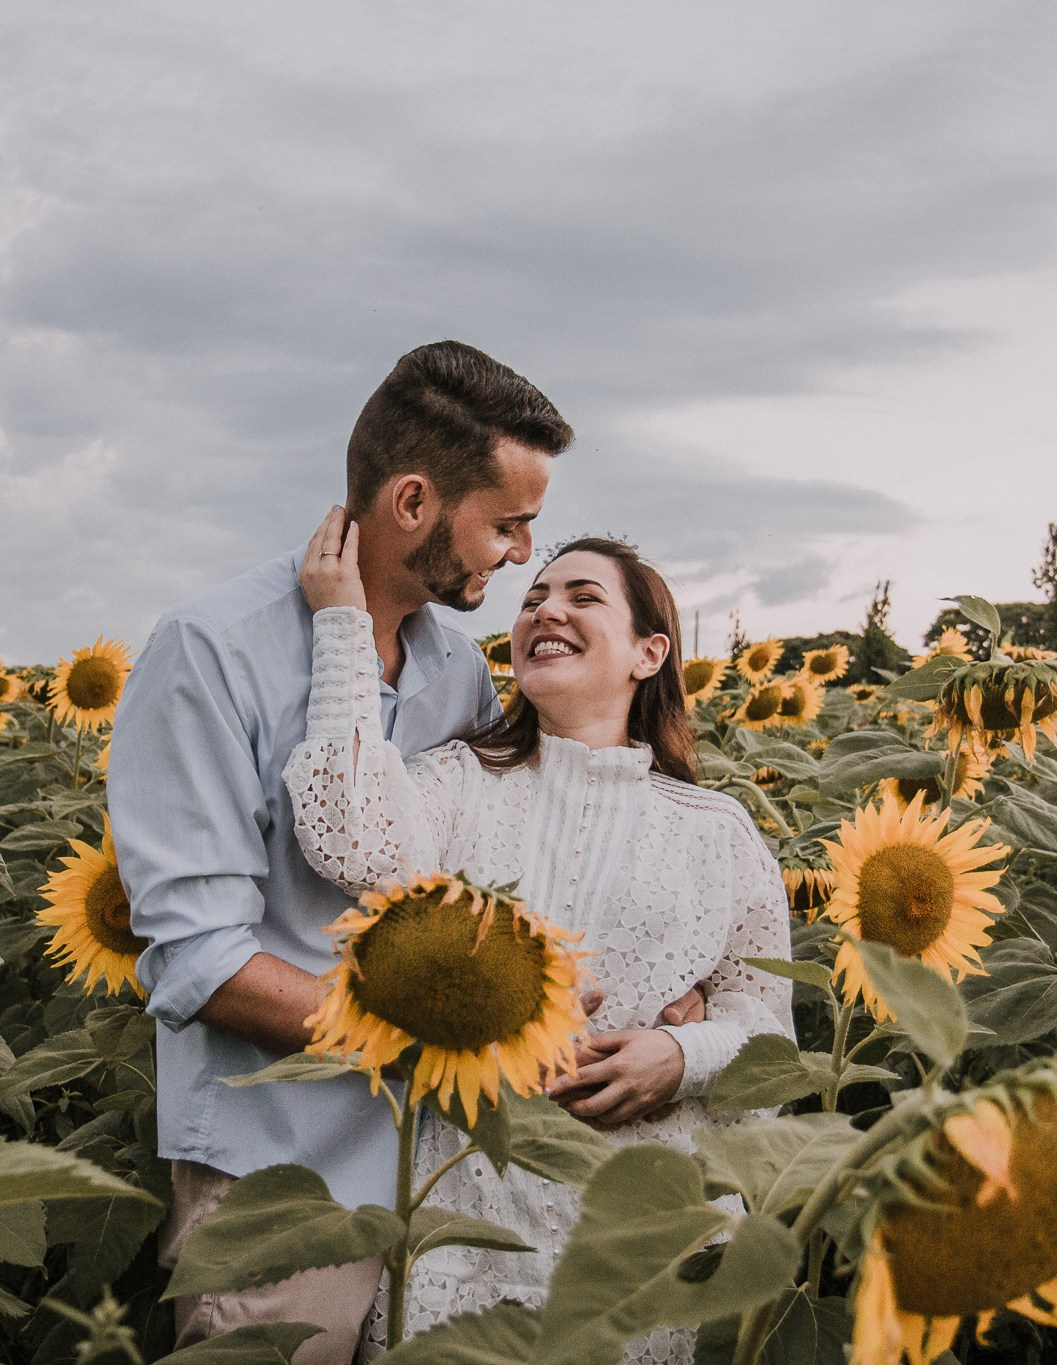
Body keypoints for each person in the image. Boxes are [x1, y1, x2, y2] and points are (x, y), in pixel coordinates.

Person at [109, 341, 702, 1364]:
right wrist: (455, 1041)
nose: (520, 554)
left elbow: (498, 878)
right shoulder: (211, 651)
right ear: (415, 502)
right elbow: (198, 959)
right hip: (281, 1175)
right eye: (506, 523)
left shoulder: (453, 675)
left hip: (445, 1171)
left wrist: (661, 999)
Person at [284, 531, 797, 1364]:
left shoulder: (719, 834)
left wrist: (681, 1051)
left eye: (583, 597)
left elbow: (771, 1037)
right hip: (461, 1223)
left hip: (633, 1243)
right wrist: (345, 628)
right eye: (533, 598)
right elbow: (350, 840)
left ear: (649, 652)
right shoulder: (461, 783)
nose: (546, 608)